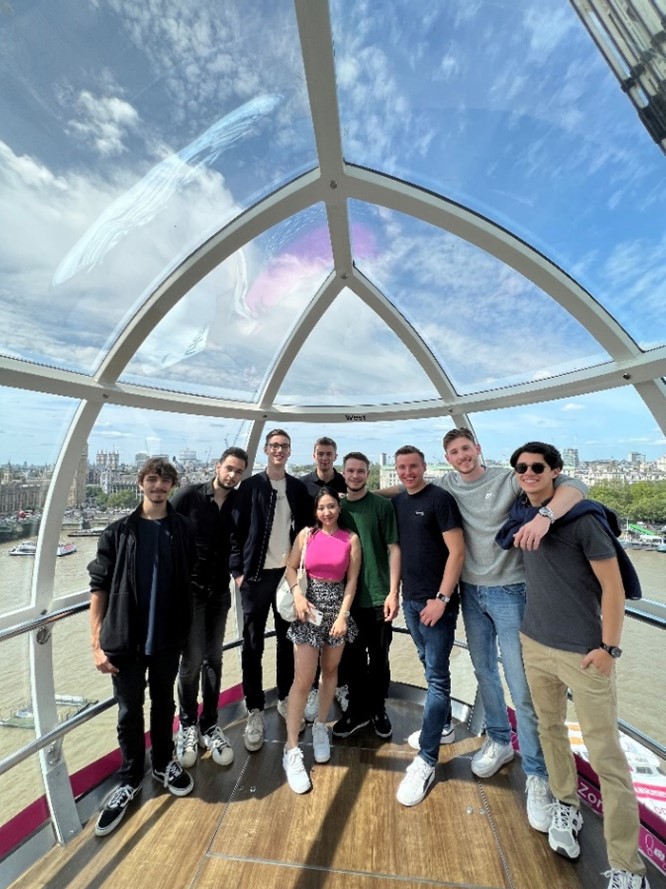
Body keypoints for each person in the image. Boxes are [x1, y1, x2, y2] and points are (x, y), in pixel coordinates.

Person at [499, 441, 649, 889]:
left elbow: (614, 589)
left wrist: (610, 648)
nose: (528, 473)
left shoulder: (584, 522)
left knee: (607, 758)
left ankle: (627, 865)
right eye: (521, 468)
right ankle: (566, 802)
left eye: (538, 467)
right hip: (534, 642)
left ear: (556, 471)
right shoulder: (521, 518)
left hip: (584, 653)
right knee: (549, 731)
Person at [439, 427, 587, 832]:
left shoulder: (510, 478)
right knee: (485, 670)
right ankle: (500, 741)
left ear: (478, 449)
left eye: (466, 449)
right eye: (454, 452)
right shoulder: (447, 485)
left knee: (521, 685)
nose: (462, 456)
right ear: (448, 458)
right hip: (471, 592)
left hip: (511, 592)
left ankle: (537, 773)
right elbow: (405, 488)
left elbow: (576, 483)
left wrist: (544, 516)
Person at [88, 458, 197, 837]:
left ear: (172, 487)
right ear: (141, 483)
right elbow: (98, 587)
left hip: (167, 635)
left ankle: (163, 763)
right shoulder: (118, 532)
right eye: (152, 479)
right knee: (129, 710)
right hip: (125, 638)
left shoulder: (183, 529)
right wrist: (96, 643)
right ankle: (130, 778)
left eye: (166, 481)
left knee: (165, 702)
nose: (159, 486)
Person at [230, 428, 312, 752]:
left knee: (285, 640)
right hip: (253, 578)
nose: (279, 450)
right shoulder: (249, 487)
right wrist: (237, 573)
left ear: (290, 452)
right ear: (266, 450)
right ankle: (253, 710)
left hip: (285, 575)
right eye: (274, 446)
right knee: (252, 645)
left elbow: (307, 529)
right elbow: (233, 533)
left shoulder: (296, 488)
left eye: (284, 446)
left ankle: (283, 697)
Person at [392, 446, 464, 807]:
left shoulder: (440, 499)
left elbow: (457, 551)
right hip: (410, 599)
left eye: (413, 467)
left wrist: (443, 598)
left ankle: (428, 759)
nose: (408, 473)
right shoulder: (400, 502)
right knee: (426, 663)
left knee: (436, 677)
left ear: (424, 467)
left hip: (437, 602)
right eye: (401, 468)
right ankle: (445, 725)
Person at [172, 446, 249, 770]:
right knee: (190, 662)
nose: (232, 475)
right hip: (189, 592)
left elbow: (243, 540)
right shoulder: (189, 495)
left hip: (219, 590)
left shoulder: (237, 502)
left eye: (238, 472)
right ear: (218, 467)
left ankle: (210, 724)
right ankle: (187, 725)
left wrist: (241, 571)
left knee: (213, 659)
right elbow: (163, 528)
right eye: (229, 468)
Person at [281, 487, 361, 793]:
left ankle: (319, 727)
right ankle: (291, 749)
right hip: (308, 608)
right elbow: (291, 568)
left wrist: (343, 616)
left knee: (330, 673)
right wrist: (298, 595)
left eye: (331, 506)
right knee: (302, 679)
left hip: (335, 609)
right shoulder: (306, 535)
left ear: (338, 508)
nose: (326, 512)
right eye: (321, 508)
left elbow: (352, 580)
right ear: (316, 511)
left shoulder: (351, 539)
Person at [332, 451, 400, 740]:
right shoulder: (336, 509)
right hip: (346, 599)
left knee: (380, 657)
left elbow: (394, 548)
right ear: (343, 473)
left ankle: (377, 708)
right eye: (351, 471)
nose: (356, 475)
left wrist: (393, 592)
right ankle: (356, 711)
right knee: (352, 660)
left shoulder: (382, 506)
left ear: (367, 474)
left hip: (377, 596)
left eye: (361, 471)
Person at [299, 436, 349, 719]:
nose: (325, 458)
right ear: (314, 455)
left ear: (335, 455)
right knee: (310, 637)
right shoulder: (302, 484)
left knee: (338, 638)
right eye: (321, 453)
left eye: (329, 454)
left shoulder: (344, 482)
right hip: (313, 566)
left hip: (339, 563)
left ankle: (340, 685)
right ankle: (313, 691)